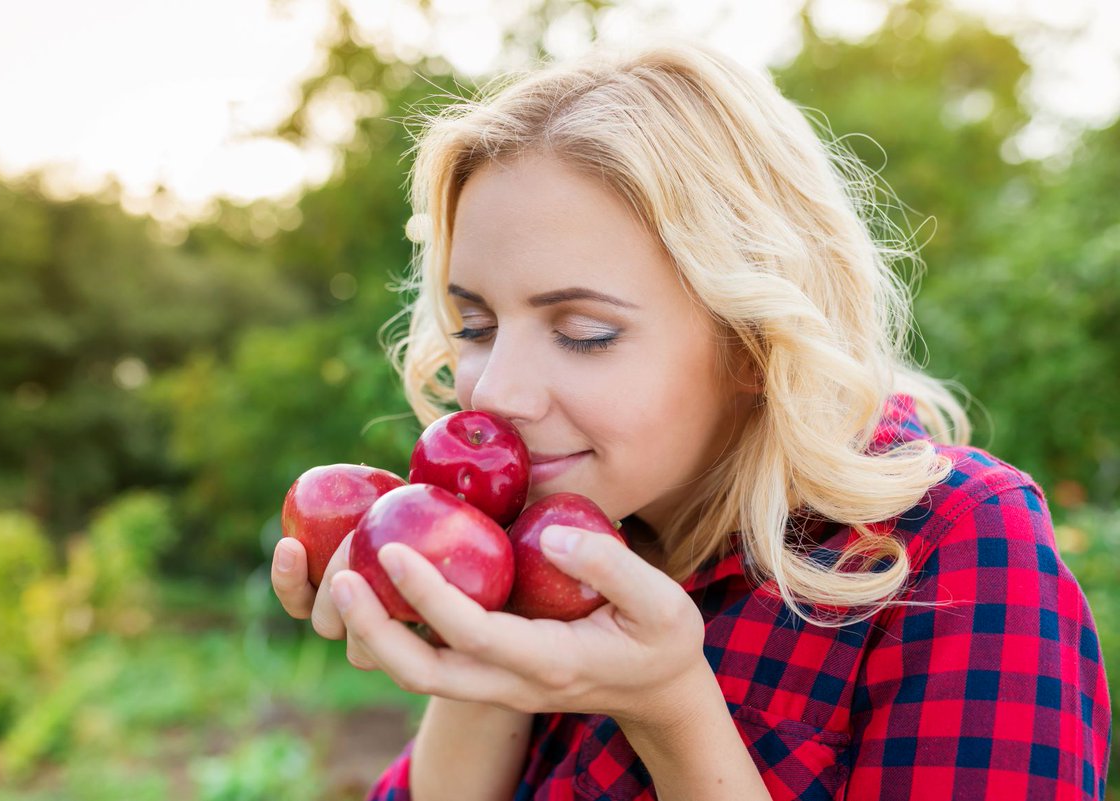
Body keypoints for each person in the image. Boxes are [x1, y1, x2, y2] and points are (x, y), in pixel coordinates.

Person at [270, 39, 1111, 800]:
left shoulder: (951, 549)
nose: (493, 394)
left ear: (752, 344)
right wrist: (483, 650)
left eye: (583, 333)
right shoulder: (564, 531)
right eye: (478, 326)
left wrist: (671, 709)